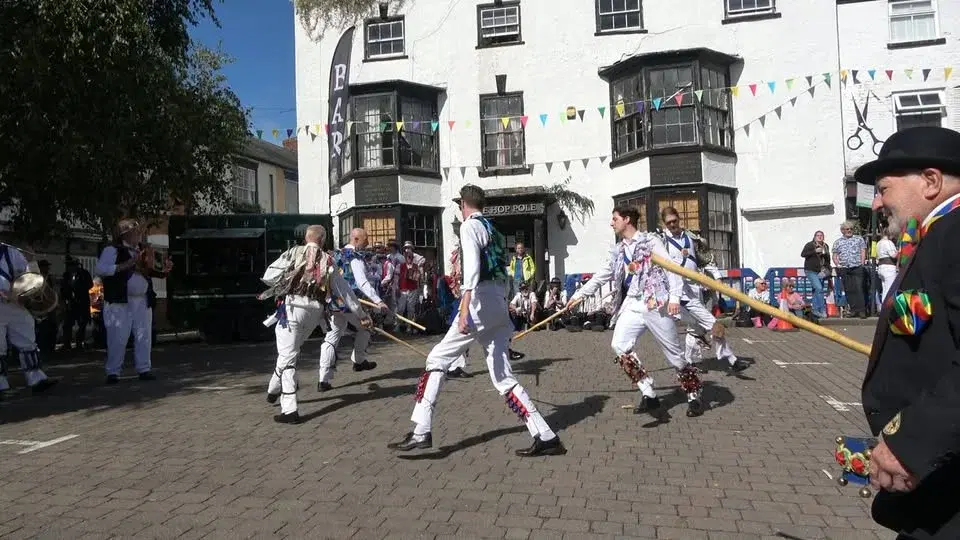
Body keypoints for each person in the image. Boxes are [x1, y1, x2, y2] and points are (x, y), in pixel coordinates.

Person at [388, 184, 566, 457]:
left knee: (436, 360)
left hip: (479, 304)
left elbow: (471, 269)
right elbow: (503, 272)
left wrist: (464, 309)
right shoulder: (493, 229)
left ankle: (421, 430)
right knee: (504, 378)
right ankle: (545, 435)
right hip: (496, 304)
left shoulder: (469, 227)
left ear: (463, 205)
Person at [856, 126, 960, 538]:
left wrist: (911, 441)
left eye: (883, 189)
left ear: (931, 181)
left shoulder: (955, 234)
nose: (878, 202)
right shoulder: (936, 236)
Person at [569, 205, 705, 418]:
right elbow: (603, 275)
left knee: (675, 358)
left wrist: (675, 298)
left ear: (627, 220)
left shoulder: (651, 242)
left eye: (615, 219)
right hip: (633, 304)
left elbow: (672, 268)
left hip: (655, 303)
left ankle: (693, 393)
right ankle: (648, 391)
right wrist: (579, 296)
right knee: (619, 345)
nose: (612, 223)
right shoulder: (619, 250)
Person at [260, 225, 370, 424]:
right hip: (315, 312)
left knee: (288, 356)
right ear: (323, 240)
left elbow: (269, 276)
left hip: (293, 307)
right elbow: (345, 292)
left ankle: (290, 410)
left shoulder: (294, 252)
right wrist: (361, 314)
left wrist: (286, 280)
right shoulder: (329, 260)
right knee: (290, 350)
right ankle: (273, 389)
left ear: (306, 238)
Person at [660, 207, 746, 374]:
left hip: (695, 287)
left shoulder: (691, 238)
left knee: (696, 328)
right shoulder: (662, 241)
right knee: (713, 324)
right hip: (679, 292)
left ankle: (689, 364)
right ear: (664, 224)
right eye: (668, 222)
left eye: (674, 221)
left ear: (679, 219)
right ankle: (732, 360)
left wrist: (717, 277)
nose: (672, 225)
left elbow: (705, 259)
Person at [95, 219, 171, 384]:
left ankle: (144, 369)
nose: (138, 234)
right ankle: (113, 372)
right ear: (124, 234)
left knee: (144, 336)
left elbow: (154, 271)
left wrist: (164, 269)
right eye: (134, 231)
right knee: (118, 337)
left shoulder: (144, 250)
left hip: (142, 300)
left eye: (138, 231)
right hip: (119, 300)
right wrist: (126, 265)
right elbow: (100, 269)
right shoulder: (112, 250)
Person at [316, 228, 385, 391]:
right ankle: (359, 361)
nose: (367, 244)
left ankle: (323, 380)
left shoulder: (335, 255)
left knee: (332, 337)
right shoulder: (354, 257)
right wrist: (378, 300)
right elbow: (362, 282)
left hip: (334, 303)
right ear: (356, 239)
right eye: (365, 240)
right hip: (350, 302)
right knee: (367, 326)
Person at [0, 244, 58, 396]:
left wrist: (31, 261)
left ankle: (36, 378)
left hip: (16, 304)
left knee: (27, 339)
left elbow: (31, 277)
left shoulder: (10, 252)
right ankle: (1, 383)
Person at [60, 256, 94, 350]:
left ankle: (79, 342)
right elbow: (63, 288)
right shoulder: (66, 275)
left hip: (82, 301)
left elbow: (90, 284)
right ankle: (67, 343)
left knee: (82, 323)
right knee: (67, 324)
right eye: (69, 265)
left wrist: (79, 288)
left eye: (73, 265)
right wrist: (65, 299)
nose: (71, 267)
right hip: (71, 302)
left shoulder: (84, 273)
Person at [800, 231, 832, 319]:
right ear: (814, 237)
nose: (820, 237)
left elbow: (827, 260)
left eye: (821, 235)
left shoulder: (825, 246)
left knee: (816, 290)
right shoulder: (810, 245)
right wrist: (814, 251)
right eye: (818, 235)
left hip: (821, 271)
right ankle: (822, 310)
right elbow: (803, 254)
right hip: (810, 270)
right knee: (819, 288)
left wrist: (827, 269)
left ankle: (815, 309)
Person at [875, 226, 900, 302]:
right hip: (888, 268)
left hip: (881, 267)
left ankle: (884, 307)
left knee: (885, 289)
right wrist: (900, 251)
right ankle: (887, 308)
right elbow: (893, 255)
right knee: (890, 289)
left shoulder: (878, 243)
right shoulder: (888, 242)